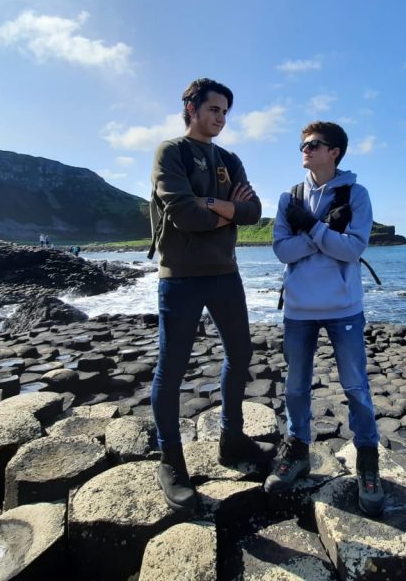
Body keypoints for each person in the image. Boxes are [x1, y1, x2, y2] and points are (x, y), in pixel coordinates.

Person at [149, 77, 273, 513]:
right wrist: (228, 211)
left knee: (240, 355)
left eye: (225, 112)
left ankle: (231, 439)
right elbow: (182, 214)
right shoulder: (171, 152)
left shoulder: (229, 159)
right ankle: (171, 461)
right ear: (191, 107)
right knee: (172, 369)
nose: (220, 118)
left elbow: (254, 212)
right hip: (180, 277)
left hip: (225, 274)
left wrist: (214, 207)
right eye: (214, 109)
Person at [266, 121, 384, 516]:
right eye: (302, 144)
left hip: (343, 309)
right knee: (296, 386)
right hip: (299, 309)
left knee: (355, 386)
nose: (305, 149)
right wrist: (321, 232)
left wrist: (312, 228)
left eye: (313, 144)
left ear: (334, 151)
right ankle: (297, 450)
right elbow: (282, 251)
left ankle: (368, 459)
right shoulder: (289, 197)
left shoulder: (357, 194)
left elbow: (352, 250)